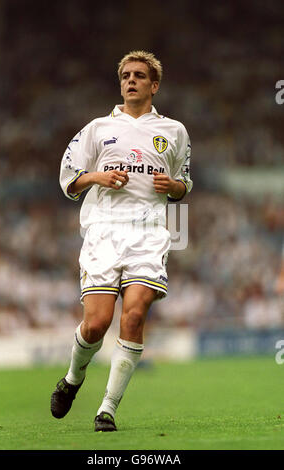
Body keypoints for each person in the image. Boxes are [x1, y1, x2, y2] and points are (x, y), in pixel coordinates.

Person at [50, 50, 193, 432]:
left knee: (133, 316)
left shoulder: (174, 131)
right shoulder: (97, 128)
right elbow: (68, 179)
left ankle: (107, 409)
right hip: (104, 230)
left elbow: (184, 183)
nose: (131, 80)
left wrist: (174, 186)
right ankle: (73, 379)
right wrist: (98, 177)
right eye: (126, 75)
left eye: (139, 75)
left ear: (154, 85)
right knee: (96, 324)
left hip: (148, 234)